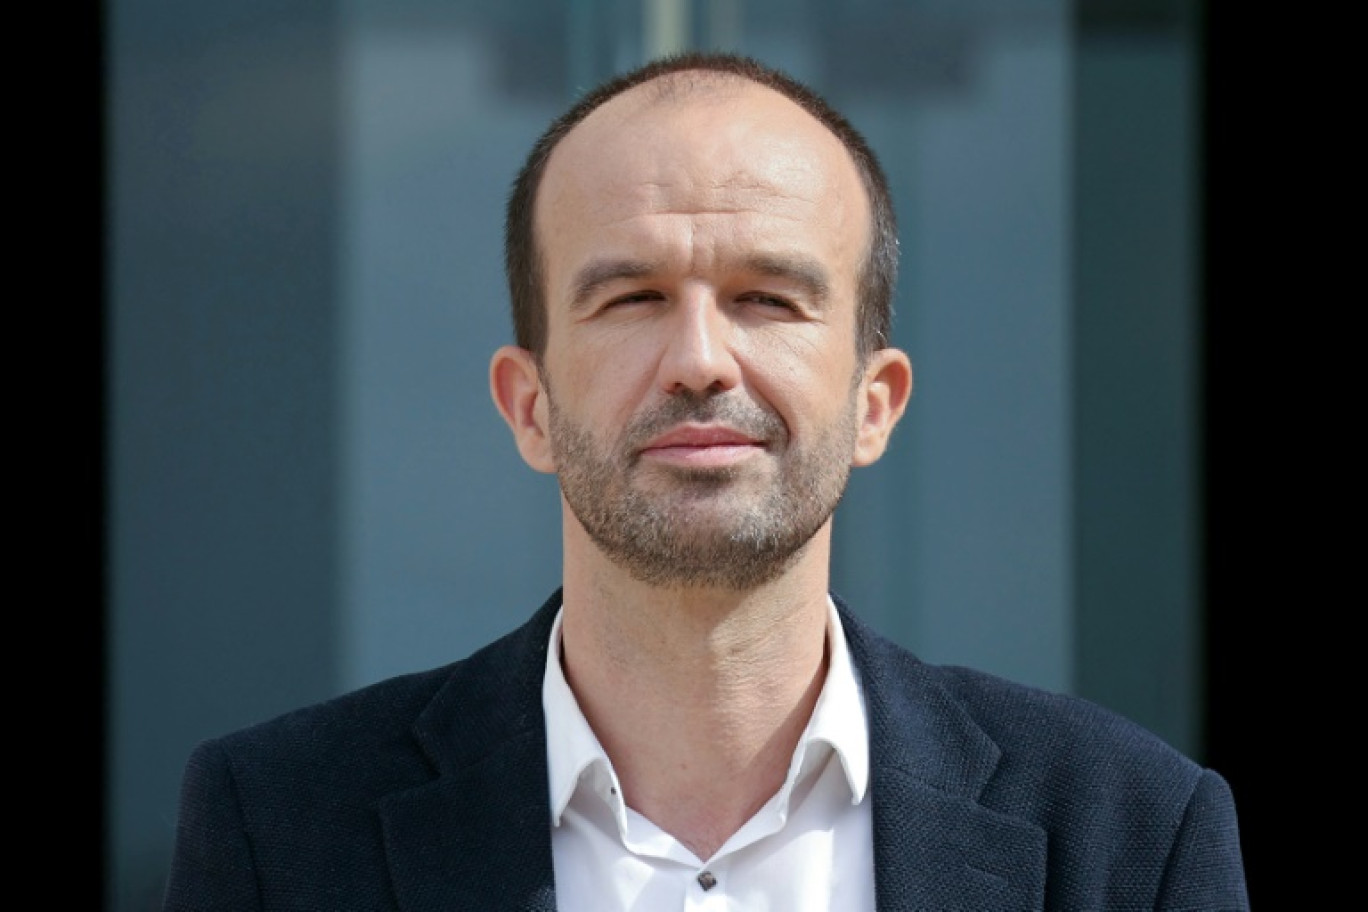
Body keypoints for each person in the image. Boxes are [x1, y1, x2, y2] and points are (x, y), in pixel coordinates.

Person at [162, 52, 1249, 911]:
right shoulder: (284, 830)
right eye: (631, 297)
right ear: (527, 406)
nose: (700, 359)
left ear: (875, 403)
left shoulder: (1128, 836)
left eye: (769, 298)